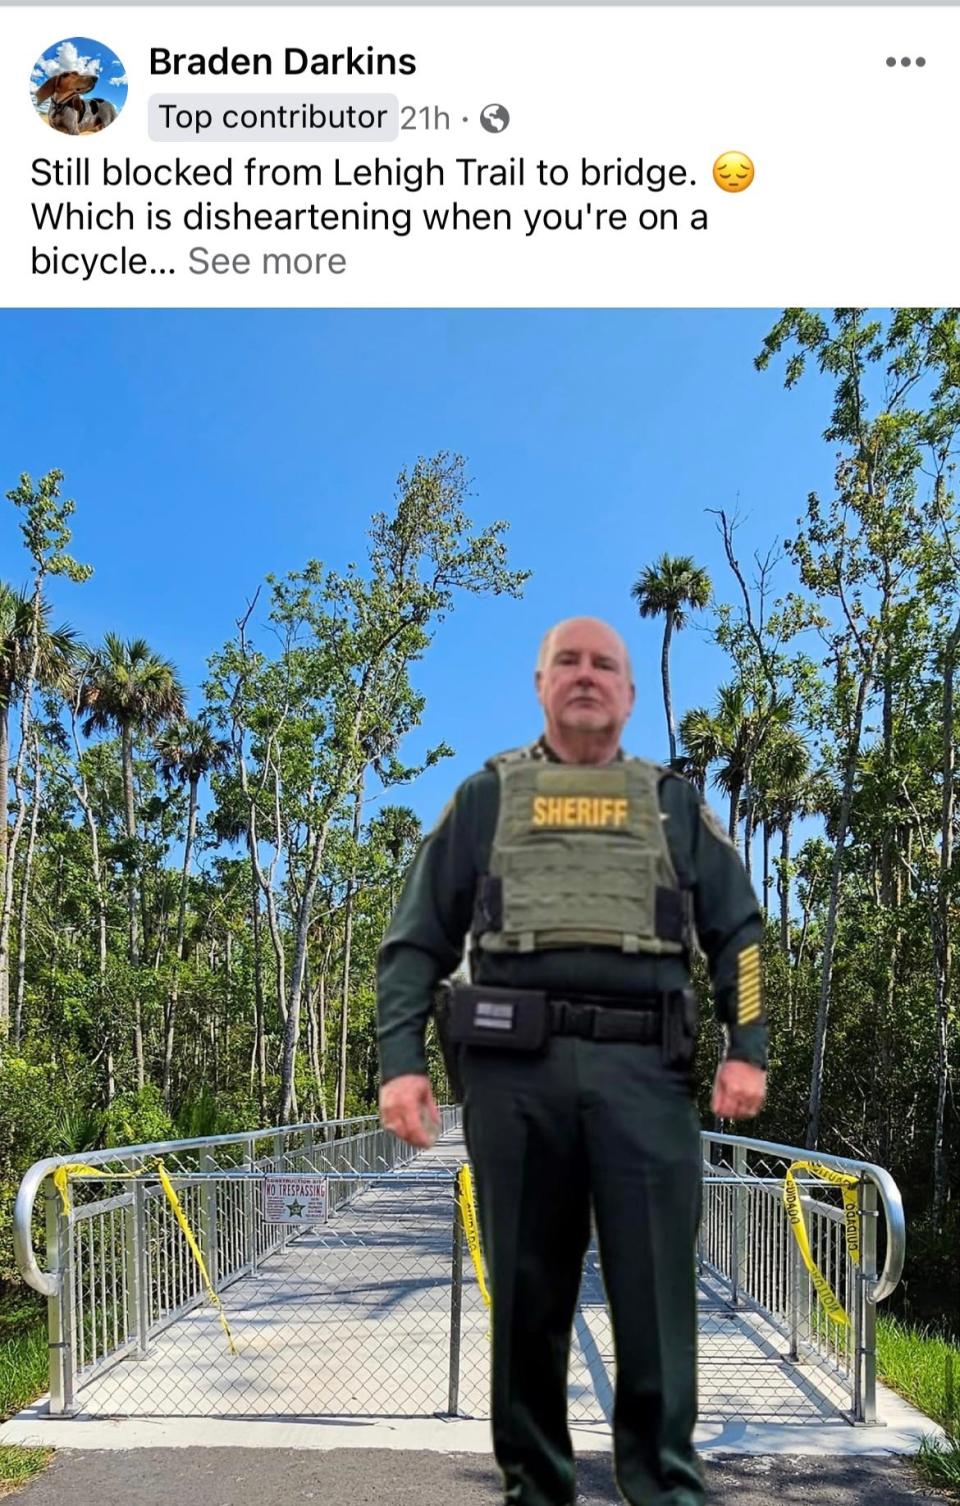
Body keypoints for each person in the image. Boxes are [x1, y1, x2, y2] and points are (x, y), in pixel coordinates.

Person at [376, 616, 768, 1506]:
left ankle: (665, 1488)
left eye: (604, 665)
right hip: (517, 1079)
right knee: (528, 1304)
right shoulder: (486, 799)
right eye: (567, 663)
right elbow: (414, 945)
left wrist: (749, 1047)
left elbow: (738, 931)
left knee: (658, 1302)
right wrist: (402, 1063)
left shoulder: (672, 804)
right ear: (541, 685)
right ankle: (536, 1490)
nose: (586, 676)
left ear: (628, 695)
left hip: (647, 1076)